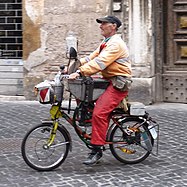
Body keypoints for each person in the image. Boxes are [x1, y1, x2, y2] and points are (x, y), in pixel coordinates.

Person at [68, 15, 132, 165]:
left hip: (118, 83)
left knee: (100, 113)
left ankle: (96, 149)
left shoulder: (116, 44)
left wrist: (79, 72)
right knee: (83, 89)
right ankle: (90, 121)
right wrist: (71, 67)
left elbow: (100, 63)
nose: (101, 26)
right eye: (101, 23)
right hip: (109, 80)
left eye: (104, 23)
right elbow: (90, 58)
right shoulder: (106, 42)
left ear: (114, 26)